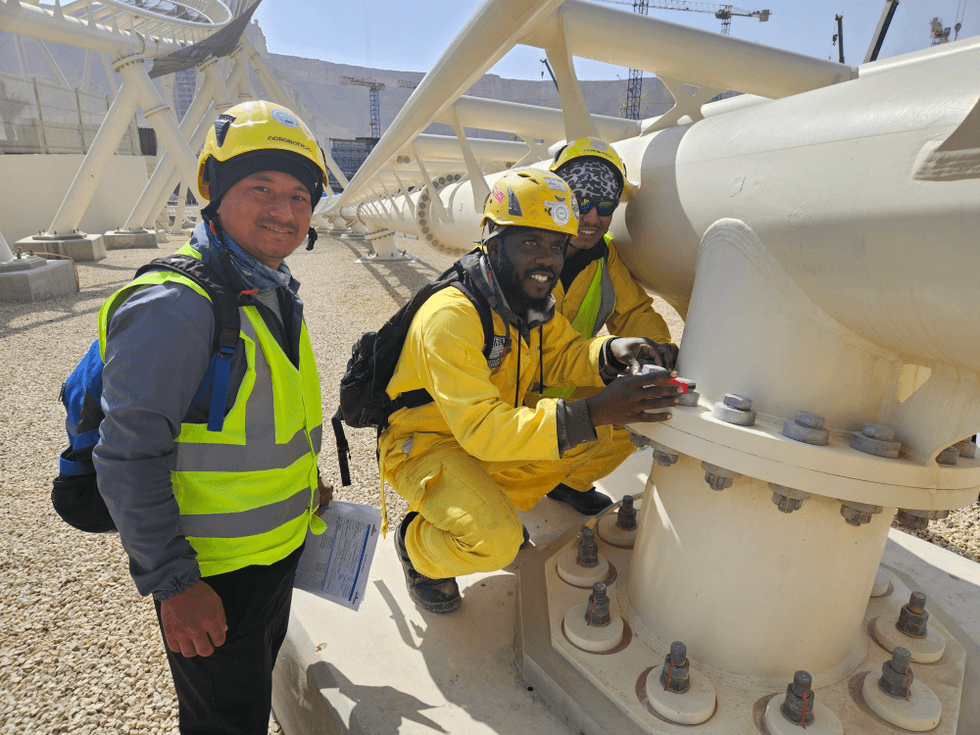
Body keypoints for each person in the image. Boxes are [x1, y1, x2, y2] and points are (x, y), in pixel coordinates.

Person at [93, 100, 332, 734]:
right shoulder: (177, 305)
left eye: (299, 196)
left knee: (247, 699)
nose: (284, 211)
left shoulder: (271, 288)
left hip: (274, 554)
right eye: (261, 188)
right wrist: (174, 584)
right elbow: (127, 456)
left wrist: (306, 482)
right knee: (225, 723)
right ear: (216, 195)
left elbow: (270, 417)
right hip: (212, 573)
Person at [379, 168, 682, 613]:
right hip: (426, 443)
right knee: (496, 542)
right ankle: (417, 547)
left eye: (556, 246)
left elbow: (564, 355)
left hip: (482, 434)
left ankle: (487, 501)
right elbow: (482, 428)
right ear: (493, 241)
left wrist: (615, 350)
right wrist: (595, 410)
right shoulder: (453, 316)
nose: (547, 260)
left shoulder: (526, 301)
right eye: (530, 243)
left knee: (618, 430)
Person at [541, 137, 678, 515]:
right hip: (510, 388)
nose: (592, 218)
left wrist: (659, 347)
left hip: (565, 378)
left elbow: (634, 310)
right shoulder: (523, 250)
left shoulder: (604, 255)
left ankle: (566, 482)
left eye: (604, 207)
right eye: (580, 203)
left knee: (642, 407)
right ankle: (506, 488)